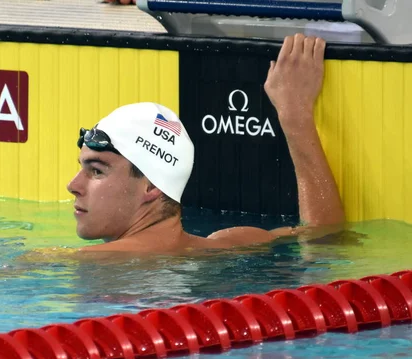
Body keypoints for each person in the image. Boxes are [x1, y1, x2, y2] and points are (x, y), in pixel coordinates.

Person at [67, 34, 345, 253]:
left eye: (97, 171)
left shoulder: (74, 265)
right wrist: (295, 115)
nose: (73, 186)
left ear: (151, 185)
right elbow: (323, 234)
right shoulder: (225, 246)